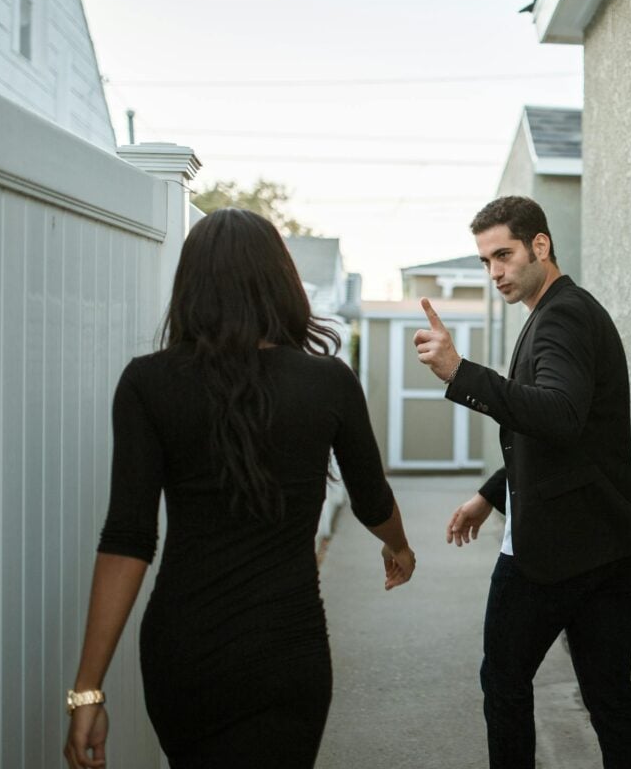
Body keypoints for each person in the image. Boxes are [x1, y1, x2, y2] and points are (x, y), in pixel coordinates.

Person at [64, 208, 415, 769]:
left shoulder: (146, 383)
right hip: (287, 651)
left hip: (186, 653)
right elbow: (373, 500)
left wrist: (88, 690)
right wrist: (399, 546)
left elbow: (128, 540)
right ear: (279, 282)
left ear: (190, 286)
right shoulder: (328, 381)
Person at [413, 195, 631, 768]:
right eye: (484, 260)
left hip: (556, 548)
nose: (495, 271)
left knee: (504, 680)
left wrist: (460, 373)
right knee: (609, 697)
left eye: (504, 254)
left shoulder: (563, 315)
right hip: (604, 539)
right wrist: (490, 492)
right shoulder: (559, 312)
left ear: (540, 246)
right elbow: (564, 438)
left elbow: (557, 414)